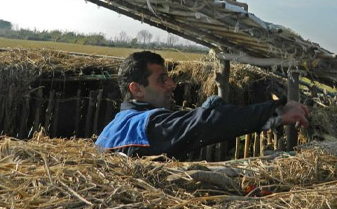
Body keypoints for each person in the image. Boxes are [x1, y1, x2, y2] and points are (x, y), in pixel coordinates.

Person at [96, 51, 309, 159]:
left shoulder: (111, 128)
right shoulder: (145, 127)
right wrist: (276, 112)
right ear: (137, 89)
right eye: (162, 79)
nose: (172, 84)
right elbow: (204, 123)